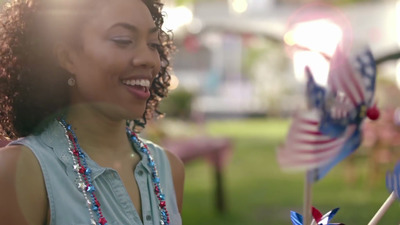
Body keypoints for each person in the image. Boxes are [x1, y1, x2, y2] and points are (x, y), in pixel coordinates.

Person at [0, 0, 185, 224]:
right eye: (123, 40)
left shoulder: (168, 169)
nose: (148, 59)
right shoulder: (21, 172)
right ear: (67, 57)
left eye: (153, 44)